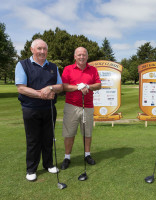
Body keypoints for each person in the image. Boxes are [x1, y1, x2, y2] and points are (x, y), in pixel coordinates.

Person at [15, 38, 63, 182]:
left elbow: (60, 86)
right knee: (33, 140)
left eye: (44, 49)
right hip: (31, 109)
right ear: (32, 50)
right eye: (39, 48)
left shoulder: (53, 67)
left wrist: (50, 88)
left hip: (49, 108)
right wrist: (41, 94)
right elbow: (21, 88)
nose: (42, 51)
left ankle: (48, 164)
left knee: (48, 138)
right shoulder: (22, 64)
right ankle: (31, 169)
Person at [60, 47, 101, 170]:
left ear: (87, 57)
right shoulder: (68, 69)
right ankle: (67, 157)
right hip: (71, 106)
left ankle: (87, 155)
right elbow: (64, 86)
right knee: (69, 133)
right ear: (75, 56)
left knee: (87, 133)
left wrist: (88, 86)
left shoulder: (93, 70)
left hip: (87, 107)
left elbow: (98, 85)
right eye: (79, 55)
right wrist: (78, 87)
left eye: (84, 55)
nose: (81, 57)